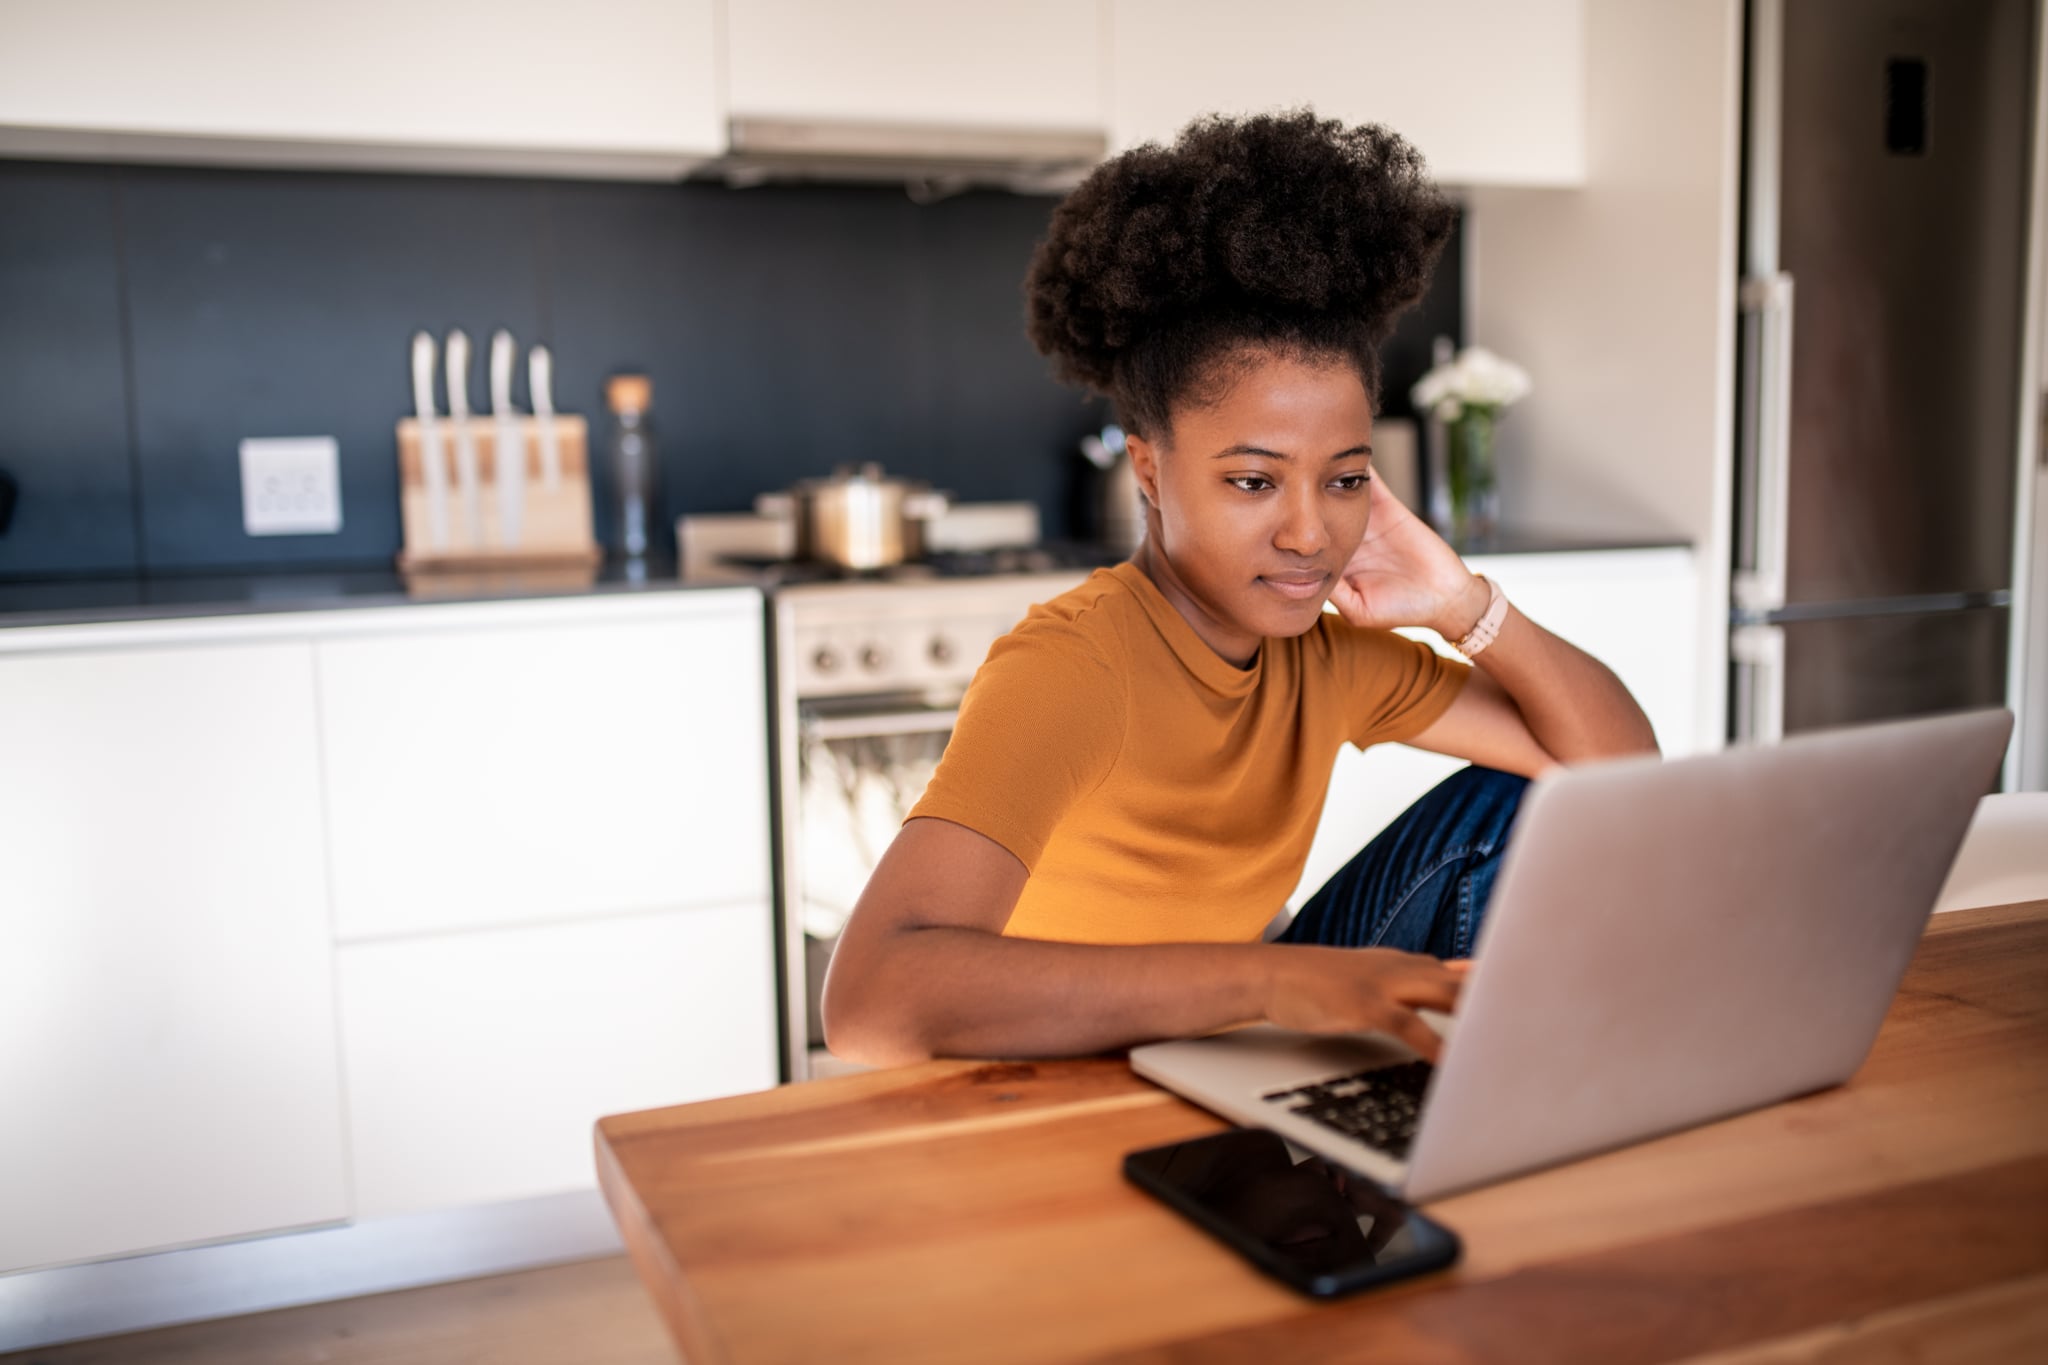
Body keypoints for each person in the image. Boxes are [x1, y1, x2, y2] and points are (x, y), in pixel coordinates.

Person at [822, 112, 1657, 1068]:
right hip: (1069, 1068)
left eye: (1344, 478)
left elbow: (1616, 775)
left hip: (1231, 1049)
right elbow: (871, 1001)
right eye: (1254, 480)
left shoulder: (1326, 654)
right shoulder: (1073, 668)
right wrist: (1262, 976)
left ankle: (1448, 1113)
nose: (1309, 533)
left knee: (1521, 801)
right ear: (1148, 469)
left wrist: (1465, 605)